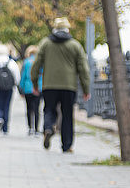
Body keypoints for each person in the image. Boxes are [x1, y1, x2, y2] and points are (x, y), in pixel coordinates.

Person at [31, 17, 90, 153]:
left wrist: (34, 83)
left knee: (49, 109)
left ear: (54, 28)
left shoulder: (45, 43)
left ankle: (48, 128)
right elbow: (83, 68)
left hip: (49, 85)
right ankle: (67, 145)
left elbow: (36, 65)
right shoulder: (75, 45)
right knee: (67, 114)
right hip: (69, 86)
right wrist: (86, 88)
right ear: (67, 29)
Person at [19, 45, 43, 136]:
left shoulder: (26, 62)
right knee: (37, 109)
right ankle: (37, 129)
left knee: (29, 108)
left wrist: (21, 88)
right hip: (38, 88)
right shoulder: (40, 62)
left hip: (28, 88)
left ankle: (30, 128)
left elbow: (23, 77)